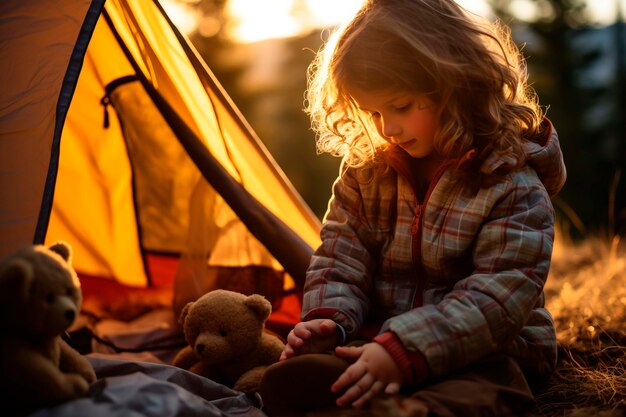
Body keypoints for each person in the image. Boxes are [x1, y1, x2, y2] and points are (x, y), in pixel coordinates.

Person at [259, 0, 567, 416]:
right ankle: (372, 396)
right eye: (373, 112)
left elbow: (497, 298)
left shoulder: (511, 182)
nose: (387, 128)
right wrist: (330, 320)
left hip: (490, 348)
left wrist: (406, 349)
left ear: (454, 84)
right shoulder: (368, 174)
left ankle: (412, 409)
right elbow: (339, 258)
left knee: (483, 386)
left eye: (400, 107)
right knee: (301, 376)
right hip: (380, 341)